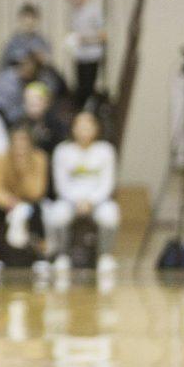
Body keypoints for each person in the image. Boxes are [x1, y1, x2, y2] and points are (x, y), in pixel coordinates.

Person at [46, 111, 119, 275]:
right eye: (80, 126)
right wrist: (77, 201)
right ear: (73, 129)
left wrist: (91, 201)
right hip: (70, 200)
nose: (84, 130)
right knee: (57, 215)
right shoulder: (62, 150)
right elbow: (61, 184)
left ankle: (105, 255)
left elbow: (108, 183)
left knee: (110, 214)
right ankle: (61, 255)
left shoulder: (105, 150)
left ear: (96, 128)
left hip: (97, 201)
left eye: (88, 125)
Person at [0, 126, 49, 283]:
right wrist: (9, 201)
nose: (20, 145)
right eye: (17, 141)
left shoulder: (39, 158)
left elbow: (37, 191)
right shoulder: (0, 159)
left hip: (28, 203)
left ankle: (41, 257)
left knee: (36, 209)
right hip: (6, 203)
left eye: (24, 141)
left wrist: (23, 169)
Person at [65, 0, 106, 110]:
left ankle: (89, 112)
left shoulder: (94, 10)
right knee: (79, 88)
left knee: (89, 87)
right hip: (79, 55)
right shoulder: (74, 12)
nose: (73, 0)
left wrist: (85, 39)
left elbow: (103, 36)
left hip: (92, 55)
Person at [0, 3, 52, 70]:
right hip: (16, 74)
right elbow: (4, 64)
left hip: (37, 74)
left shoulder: (42, 41)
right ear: (20, 19)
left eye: (32, 18)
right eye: (26, 17)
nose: (29, 21)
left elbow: (47, 59)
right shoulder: (13, 42)